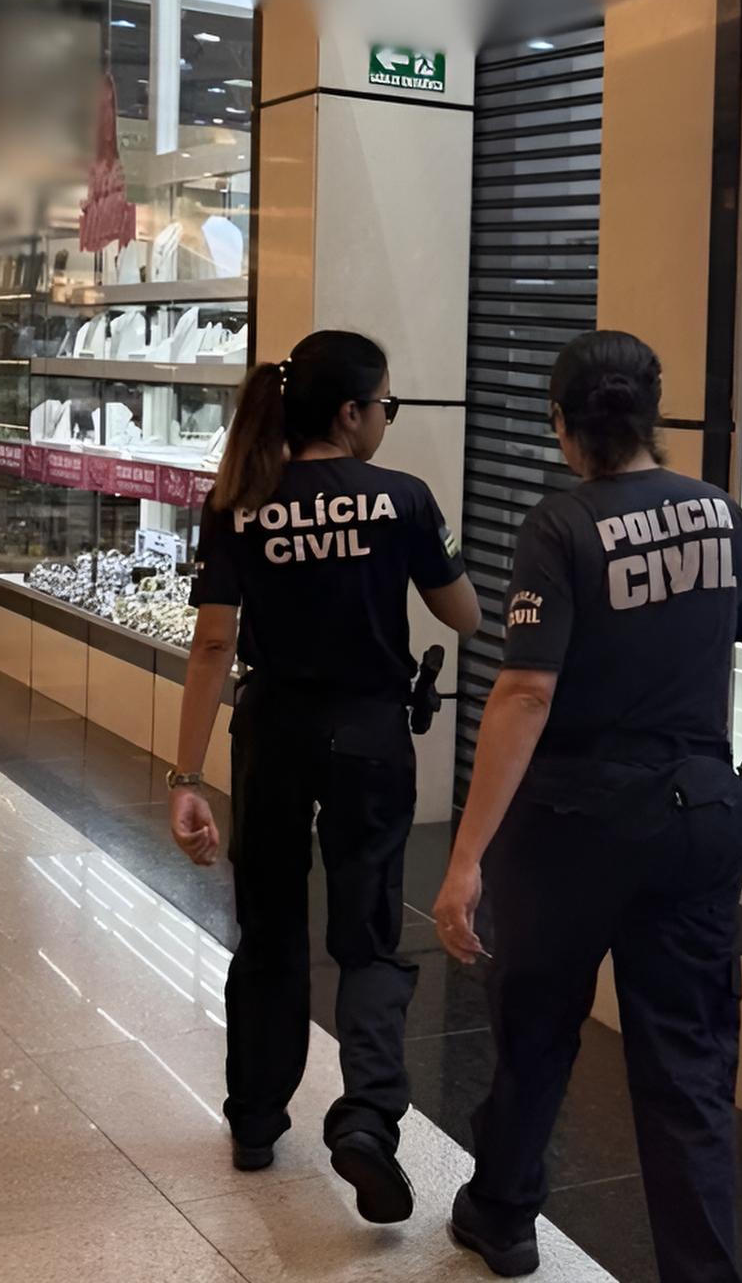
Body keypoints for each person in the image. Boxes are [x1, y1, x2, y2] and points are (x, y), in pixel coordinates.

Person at [432, 329, 742, 1280]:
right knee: (688, 1068)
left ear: (561, 424)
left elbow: (525, 692)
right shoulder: (717, 511)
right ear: (654, 414)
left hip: (573, 824)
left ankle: (503, 1217)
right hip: (698, 817)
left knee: (536, 1025)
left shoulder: (560, 527)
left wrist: (466, 859)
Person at [169, 330, 480, 1224]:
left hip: (272, 731)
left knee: (268, 926)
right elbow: (462, 613)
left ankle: (256, 1120)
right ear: (351, 413)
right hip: (371, 735)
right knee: (369, 932)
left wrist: (185, 775)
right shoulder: (402, 498)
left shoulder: (238, 501)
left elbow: (214, 643)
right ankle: (368, 1121)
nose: (385, 419)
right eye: (385, 406)